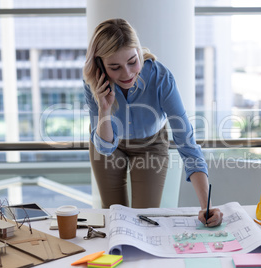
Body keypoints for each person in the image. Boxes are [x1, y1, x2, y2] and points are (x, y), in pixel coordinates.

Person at [83, 18, 222, 227]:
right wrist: (104, 109)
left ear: (139, 51)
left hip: (151, 144)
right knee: (114, 218)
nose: (127, 74)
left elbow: (187, 143)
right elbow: (104, 148)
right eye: (115, 67)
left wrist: (206, 206)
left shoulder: (160, 78)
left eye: (132, 61)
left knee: (143, 220)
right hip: (108, 140)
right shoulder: (93, 82)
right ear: (100, 64)